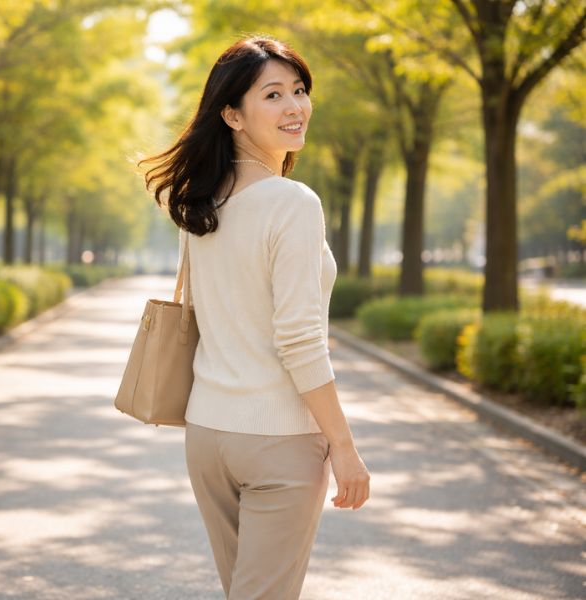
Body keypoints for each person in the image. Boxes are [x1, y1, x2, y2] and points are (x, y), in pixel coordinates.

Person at [139, 36, 371, 599]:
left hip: (209, 436)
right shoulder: (293, 202)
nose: (295, 107)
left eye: (299, 90)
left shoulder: (204, 203)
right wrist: (343, 445)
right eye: (273, 94)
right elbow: (299, 338)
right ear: (232, 114)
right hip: (279, 439)